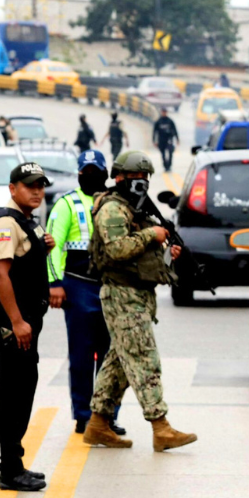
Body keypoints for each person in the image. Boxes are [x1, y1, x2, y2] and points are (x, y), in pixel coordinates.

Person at [84, 150, 197, 452]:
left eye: (144, 177)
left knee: (119, 362)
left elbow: (142, 255)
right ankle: (161, 427)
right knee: (144, 359)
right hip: (122, 295)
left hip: (139, 294)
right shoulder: (112, 209)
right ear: (118, 178)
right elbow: (118, 250)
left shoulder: (137, 210)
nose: (139, 183)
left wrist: (165, 253)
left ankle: (97, 424)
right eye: (133, 177)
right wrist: (151, 235)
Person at [0, 162, 57, 491]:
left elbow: (23, 259)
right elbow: (1, 272)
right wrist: (17, 321)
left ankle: (15, 463)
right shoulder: (6, 221)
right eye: (30, 185)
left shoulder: (25, 221)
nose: (37, 191)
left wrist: (44, 246)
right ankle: (9, 470)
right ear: (13, 188)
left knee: (23, 389)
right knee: (15, 393)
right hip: (15, 323)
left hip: (26, 322)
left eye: (41, 185)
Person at [45, 150, 123, 436]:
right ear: (79, 174)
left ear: (105, 173)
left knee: (112, 357)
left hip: (112, 286)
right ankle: (83, 416)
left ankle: (108, 416)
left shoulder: (115, 203)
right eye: (85, 171)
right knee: (81, 357)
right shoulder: (66, 204)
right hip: (78, 286)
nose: (90, 175)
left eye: (95, 170)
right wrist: (55, 283)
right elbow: (52, 247)